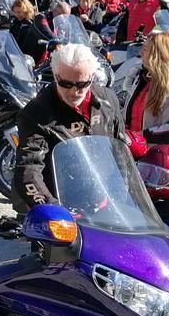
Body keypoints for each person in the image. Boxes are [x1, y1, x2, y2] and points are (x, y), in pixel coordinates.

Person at [13, 43, 127, 211]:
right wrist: (52, 209)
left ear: (93, 77)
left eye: (82, 84)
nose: (74, 92)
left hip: (104, 202)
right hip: (59, 202)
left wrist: (123, 194)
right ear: (55, 75)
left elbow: (120, 150)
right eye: (66, 84)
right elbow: (29, 168)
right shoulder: (35, 113)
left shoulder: (108, 100)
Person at [119, 32, 169, 160]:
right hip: (133, 153)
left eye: (145, 49)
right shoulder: (141, 76)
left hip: (163, 162)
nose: (140, 53)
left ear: (158, 55)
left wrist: (143, 135)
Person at [9, 0, 54, 64]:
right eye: (15, 12)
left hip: (26, 58)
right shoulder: (16, 21)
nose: (17, 15)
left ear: (26, 11)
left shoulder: (33, 23)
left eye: (19, 12)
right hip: (13, 53)